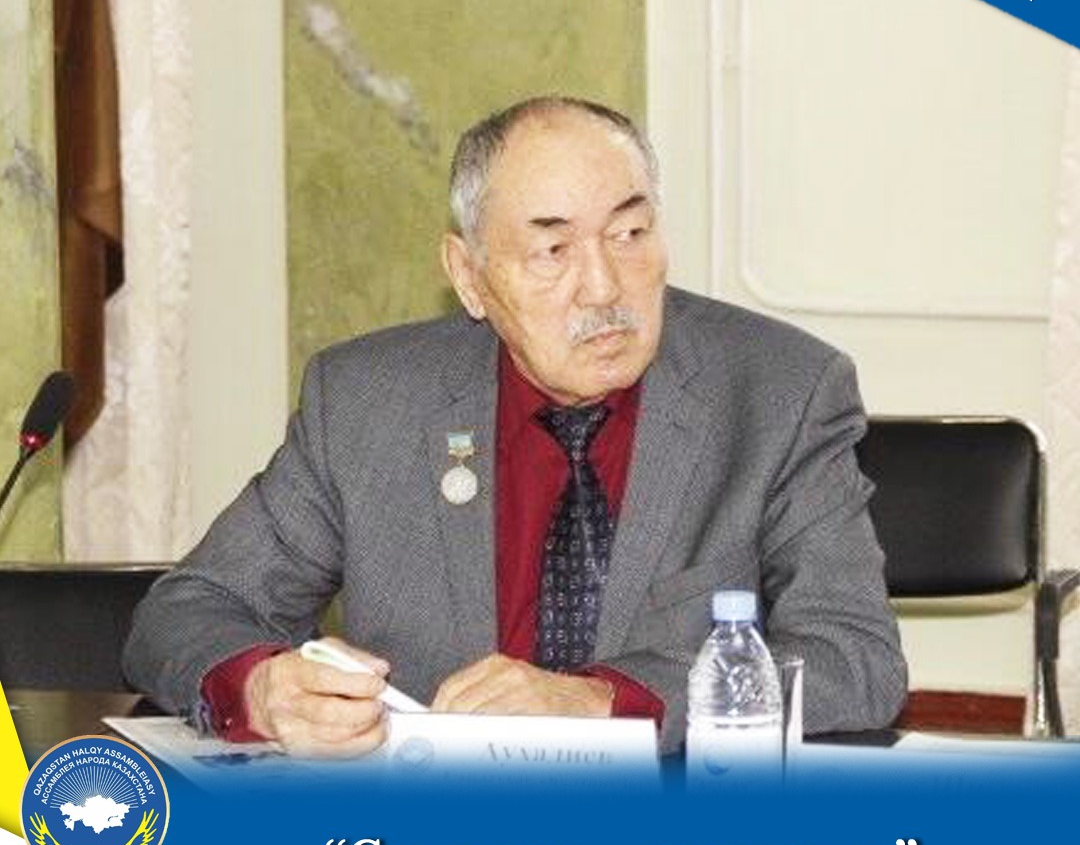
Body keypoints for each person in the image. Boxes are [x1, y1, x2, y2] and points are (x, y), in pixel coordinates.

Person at [123, 96, 907, 756]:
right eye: (552, 250)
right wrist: (261, 687)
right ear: (469, 277)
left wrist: (604, 701)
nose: (604, 286)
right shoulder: (367, 402)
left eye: (630, 235)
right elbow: (185, 612)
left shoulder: (779, 391)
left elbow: (855, 660)